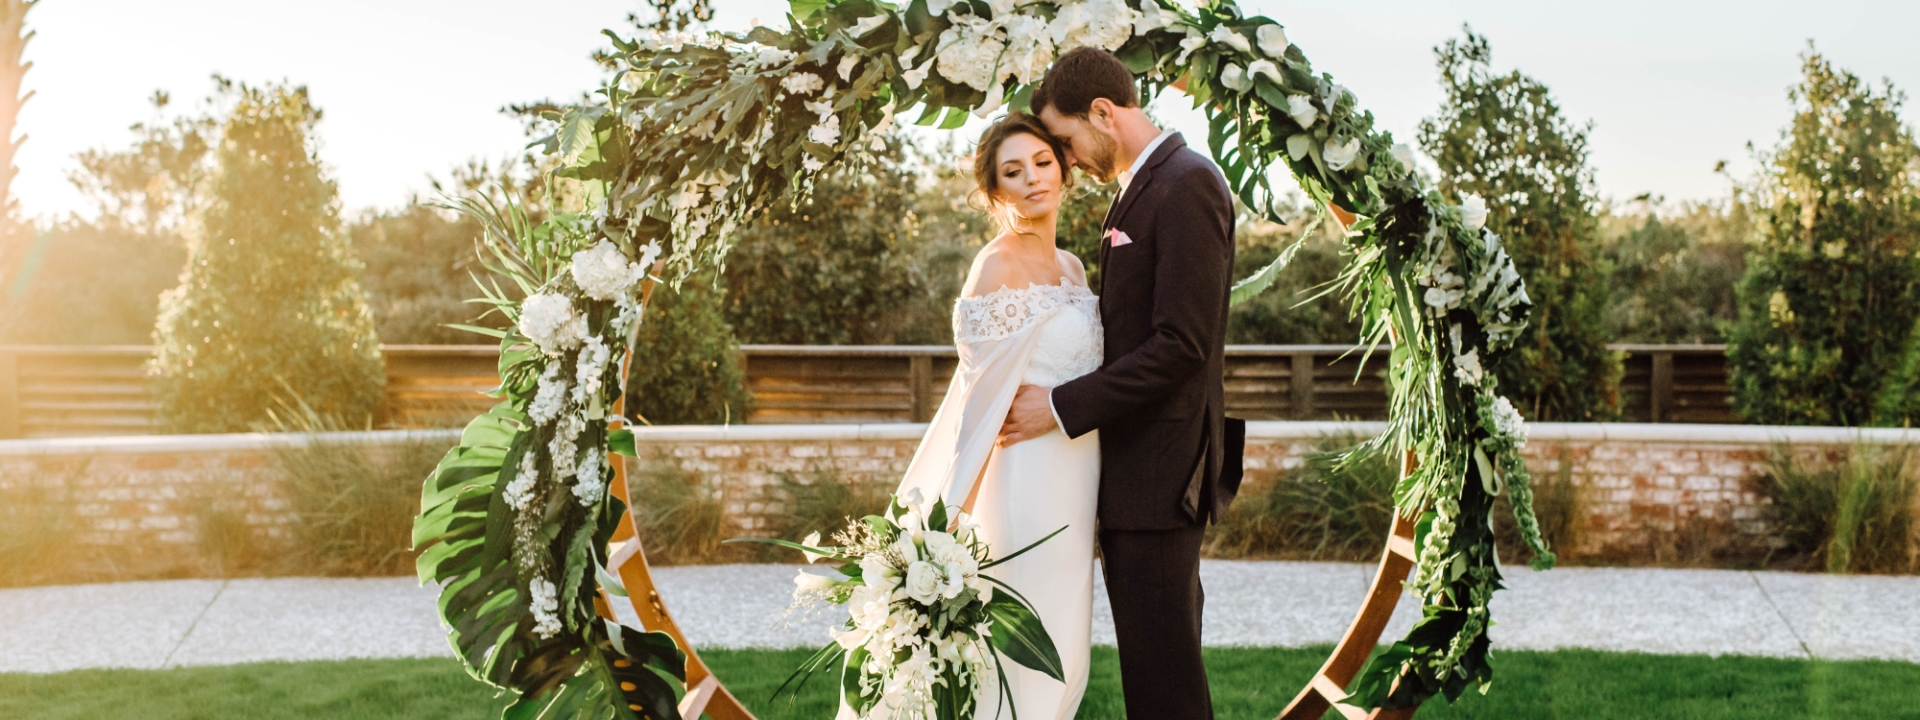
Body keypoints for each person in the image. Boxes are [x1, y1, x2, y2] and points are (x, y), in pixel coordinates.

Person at [1000, 46, 1241, 720]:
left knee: (1164, 681)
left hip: (1161, 477)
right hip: (1136, 473)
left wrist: (1059, 405)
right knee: (1155, 671)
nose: (1068, 159)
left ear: (1103, 112)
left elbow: (1181, 345)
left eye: (1069, 140)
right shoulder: (1142, 188)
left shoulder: (1185, 181)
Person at [862, 112, 1101, 720]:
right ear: (995, 192)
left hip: (1078, 480)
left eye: (1042, 163)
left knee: (1067, 650)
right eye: (1012, 172)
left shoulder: (1074, 269)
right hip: (1026, 479)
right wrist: (941, 530)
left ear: (1064, 169)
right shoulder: (997, 266)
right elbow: (977, 401)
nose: (1032, 180)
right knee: (1025, 653)